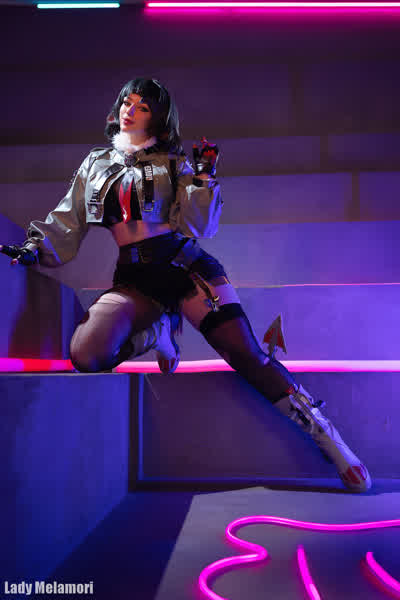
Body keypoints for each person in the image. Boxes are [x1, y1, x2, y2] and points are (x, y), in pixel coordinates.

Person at [0, 78, 371, 493]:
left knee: (245, 353)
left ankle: (330, 440)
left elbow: (199, 226)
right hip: (135, 277)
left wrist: (204, 176)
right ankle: (155, 333)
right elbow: (68, 218)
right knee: (86, 354)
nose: (130, 110)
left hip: (185, 266)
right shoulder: (96, 163)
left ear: (157, 117)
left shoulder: (175, 162)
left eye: (141, 106)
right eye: (126, 102)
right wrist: (34, 246)